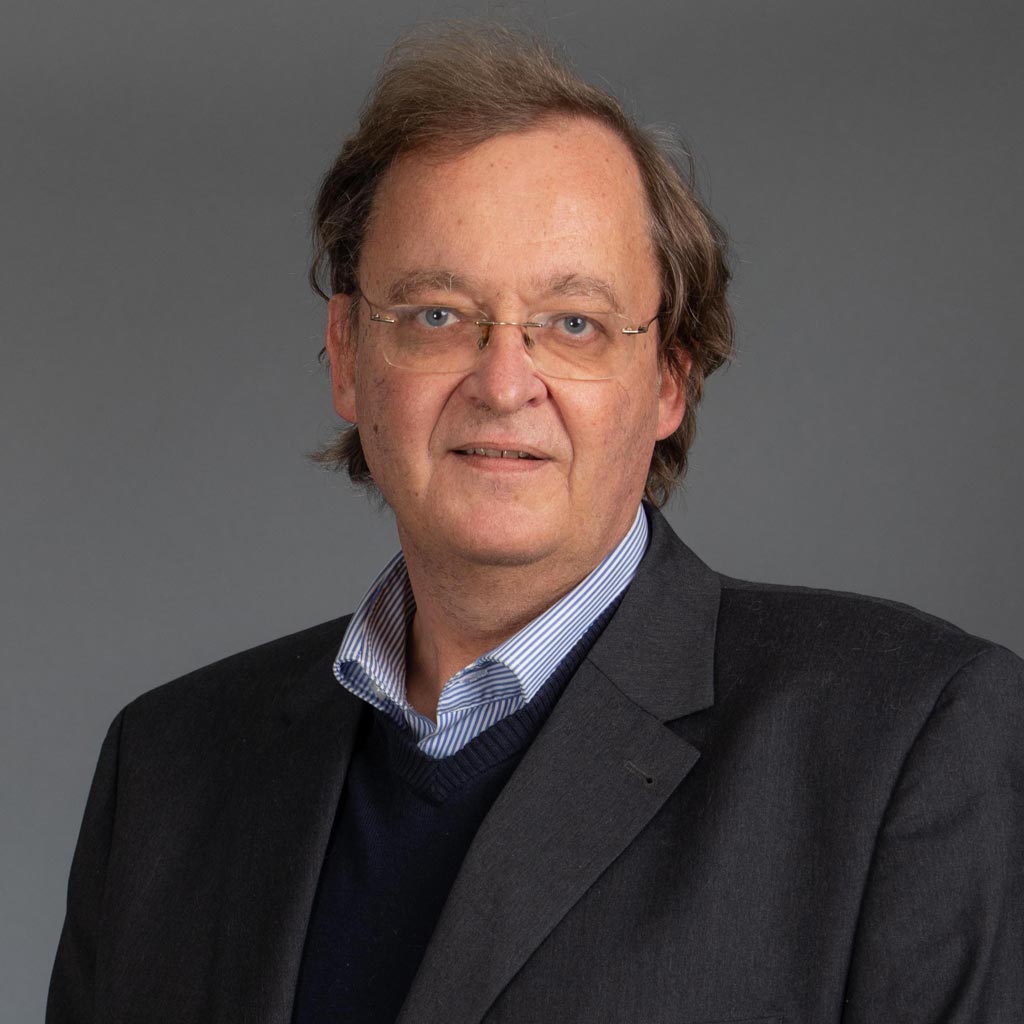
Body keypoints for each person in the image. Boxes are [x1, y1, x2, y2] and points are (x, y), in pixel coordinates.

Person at [48, 23, 1023, 1024]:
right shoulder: (164, 770)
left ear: (669, 378)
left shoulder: (902, 741)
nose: (504, 382)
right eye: (437, 313)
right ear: (347, 355)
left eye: (574, 324)